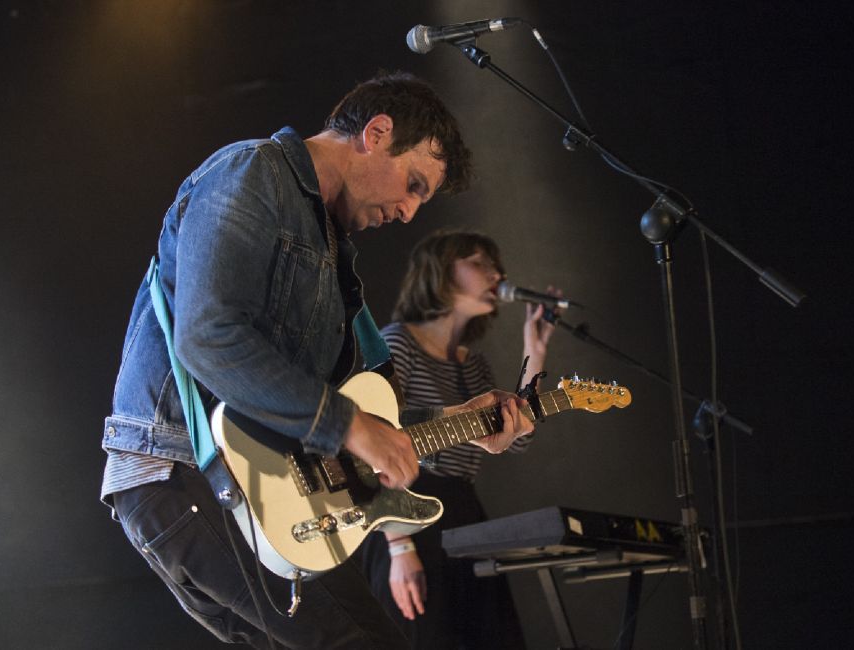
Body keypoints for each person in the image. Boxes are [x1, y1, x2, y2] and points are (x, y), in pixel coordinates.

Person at [99, 72, 535, 649]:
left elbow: (356, 415)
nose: (408, 212)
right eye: (413, 185)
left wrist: (463, 421)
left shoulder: (332, 256)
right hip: (184, 471)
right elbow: (208, 337)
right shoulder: (252, 172)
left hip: (263, 490)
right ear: (376, 133)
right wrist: (350, 426)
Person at [358, 230, 559, 649]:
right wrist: (398, 546)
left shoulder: (475, 364)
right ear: (441, 272)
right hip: (406, 508)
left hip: (465, 513)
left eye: (495, 264)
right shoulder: (398, 342)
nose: (497, 273)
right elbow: (373, 443)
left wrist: (534, 354)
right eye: (479, 262)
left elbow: (516, 439)